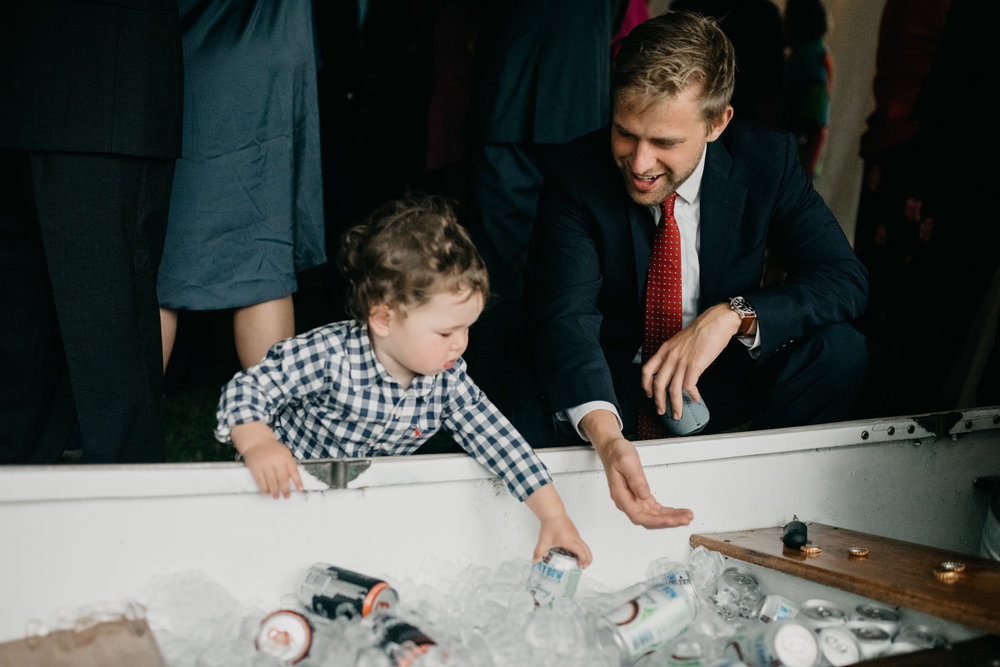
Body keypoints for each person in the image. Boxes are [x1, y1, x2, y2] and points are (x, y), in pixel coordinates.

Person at [522, 12, 868, 529]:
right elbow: (564, 319)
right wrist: (608, 438)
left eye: (664, 143)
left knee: (839, 349)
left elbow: (844, 279)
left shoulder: (766, 160)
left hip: (718, 378)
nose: (639, 163)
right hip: (610, 381)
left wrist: (732, 316)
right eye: (626, 133)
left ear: (717, 123)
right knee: (521, 375)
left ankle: (764, 503)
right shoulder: (575, 174)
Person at [215, 197, 592, 566]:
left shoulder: (447, 379)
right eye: (445, 333)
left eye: (466, 329)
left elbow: (500, 441)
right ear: (383, 319)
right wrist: (258, 442)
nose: (460, 344)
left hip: (362, 495)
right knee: (274, 564)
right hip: (283, 486)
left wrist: (553, 516)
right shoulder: (330, 355)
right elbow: (252, 386)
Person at [0, 1, 183, 463]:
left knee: (110, 361)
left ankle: (128, 526)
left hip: (104, 89)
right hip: (27, 83)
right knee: (16, 361)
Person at [157, 0, 326, 373]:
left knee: (158, 255)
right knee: (263, 250)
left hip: (201, 49)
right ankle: (272, 426)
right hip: (269, 47)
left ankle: (130, 430)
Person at [782, 0, 832, 179]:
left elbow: (816, 124)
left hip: (794, 162)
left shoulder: (810, 61)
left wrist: (808, 168)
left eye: (787, 18)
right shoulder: (812, 56)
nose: (783, 23)